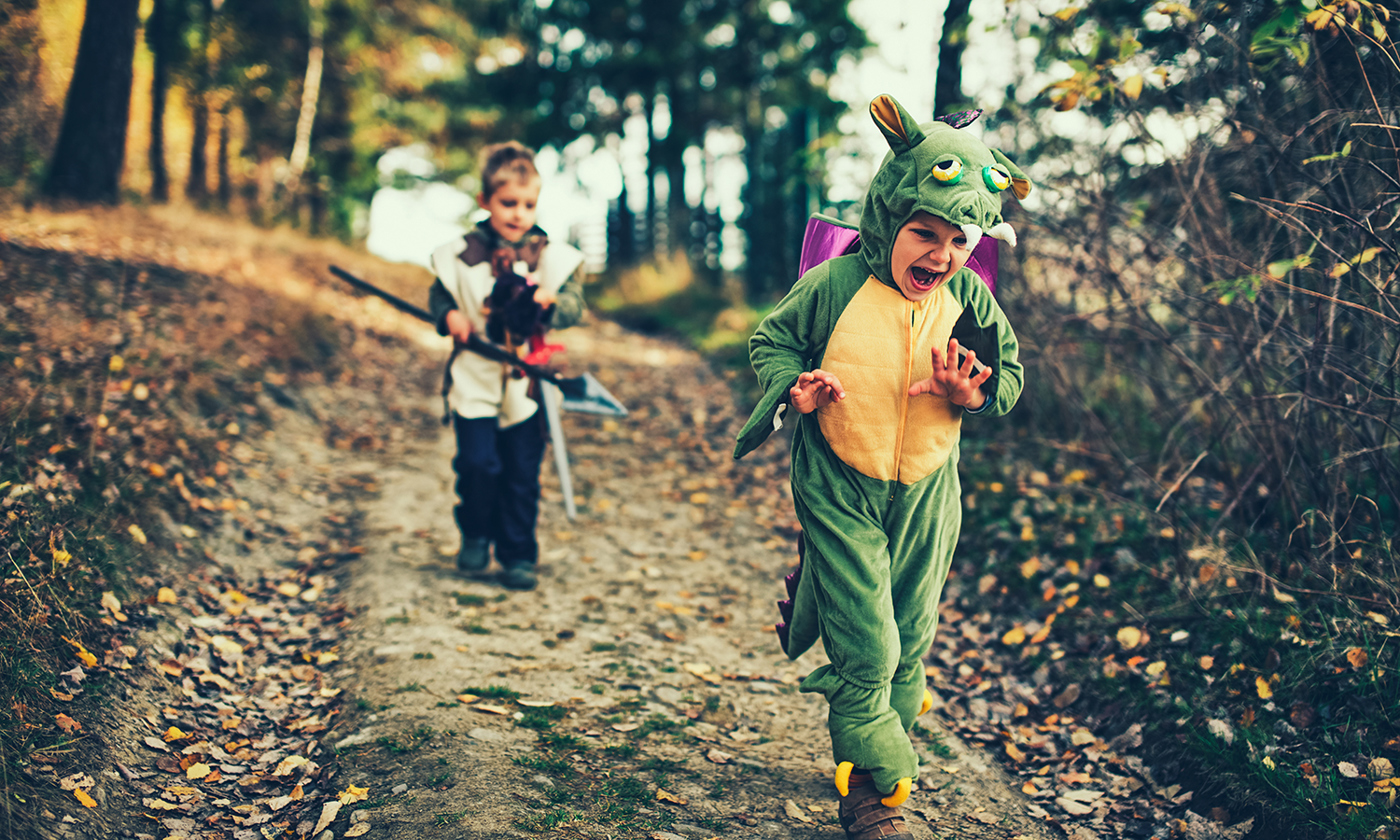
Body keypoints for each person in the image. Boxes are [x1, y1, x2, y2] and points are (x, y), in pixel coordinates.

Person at [733, 95, 1031, 840]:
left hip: (930, 489)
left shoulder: (968, 295)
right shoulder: (833, 286)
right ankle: (872, 793)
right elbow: (772, 342)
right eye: (923, 233)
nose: (939, 254)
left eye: (957, 239)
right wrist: (792, 387)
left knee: (911, 628)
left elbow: (1011, 375)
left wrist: (977, 390)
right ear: (888, 216)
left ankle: (875, 737)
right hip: (840, 480)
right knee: (872, 639)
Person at [427, 141, 585, 591]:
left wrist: (553, 305)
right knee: (478, 463)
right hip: (475, 376)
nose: (519, 213)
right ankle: (476, 532)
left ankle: (518, 554)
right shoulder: (460, 252)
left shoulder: (552, 256)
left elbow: (576, 305)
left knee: (520, 471)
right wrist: (448, 316)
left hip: (527, 384)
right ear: (486, 202)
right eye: (508, 203)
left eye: (528, 204)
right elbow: (440, 293)